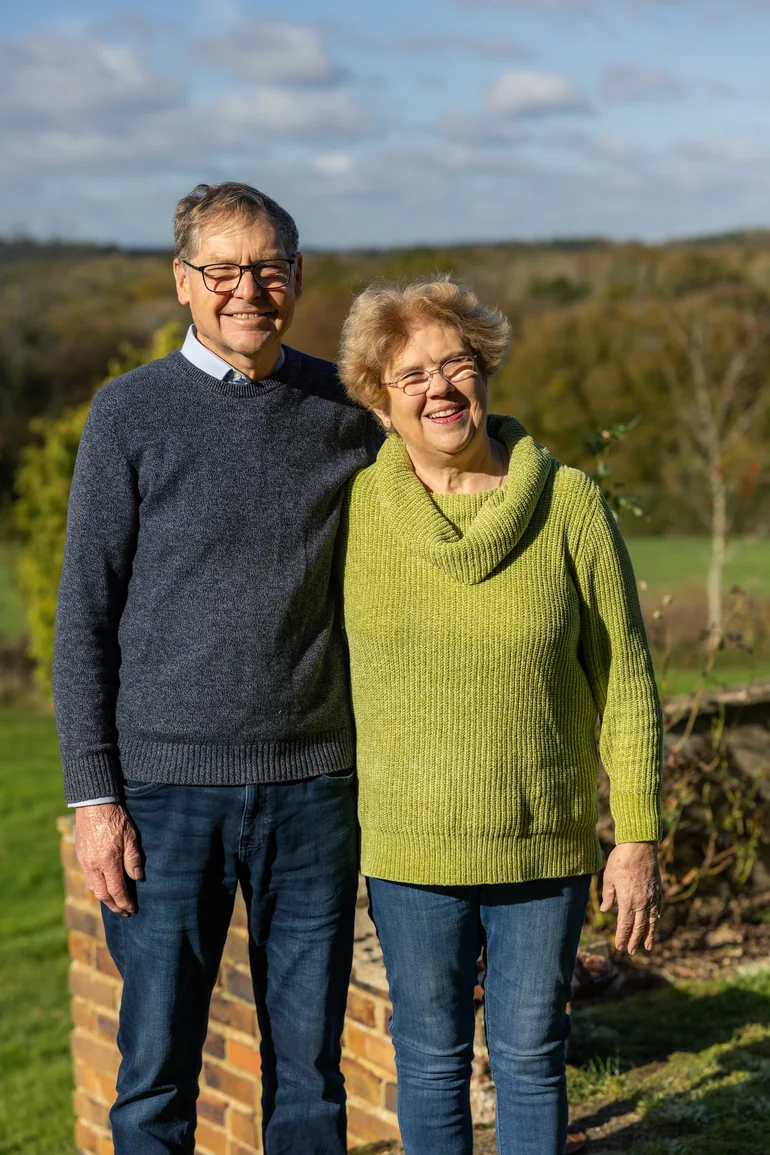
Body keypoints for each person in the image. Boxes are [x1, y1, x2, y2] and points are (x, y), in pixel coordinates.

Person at [53, 182, 381, 1155]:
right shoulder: (128, 413)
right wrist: (95, 799)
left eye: (268, 267)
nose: (248, 289)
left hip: (313, 789)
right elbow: (84, 618)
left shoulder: (345, 410)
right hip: (164, 799)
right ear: (182, 281)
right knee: (154, 1081)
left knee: (310, 1080)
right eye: (223, 269)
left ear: (296, 276)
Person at [336, 276, 663, 1155]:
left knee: (531, 1057)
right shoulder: (358, 513)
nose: (440, 388)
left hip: (540, 845)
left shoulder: (570, 504)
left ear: (485, 372)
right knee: (430, 1060)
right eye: (413, 375)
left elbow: (626, 682)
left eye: (458, 363)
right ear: (380, 401)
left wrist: (636, 836)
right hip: (409, 851)